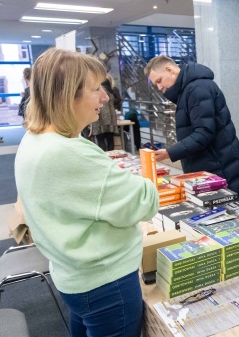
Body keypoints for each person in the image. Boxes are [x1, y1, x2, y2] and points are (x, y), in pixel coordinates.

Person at [15, 48, 159, 337]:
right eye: (95, 89)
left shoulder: (33, 139)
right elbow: (146, 201)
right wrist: (135, 181)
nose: (105, 98)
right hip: (106, 284)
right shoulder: (70, 153)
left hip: (74, 277)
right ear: (68, 95)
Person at [144, 56, 239, 204]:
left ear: (169, 70)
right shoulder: (188, 89)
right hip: (211, 166)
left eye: (159, 81)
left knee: (236, 213)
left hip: (219, 168)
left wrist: (170, 153)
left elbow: (204, 133)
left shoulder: (197, 88)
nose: (159, 87)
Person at [90, 77, 119, 151]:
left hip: (99, 119)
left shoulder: (98, 93)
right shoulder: (111, 93)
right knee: (110, 139)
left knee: (101, 140)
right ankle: (112, 158)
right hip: (110, 119)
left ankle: (104, 158)